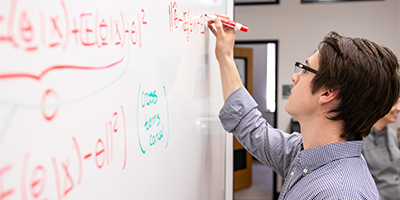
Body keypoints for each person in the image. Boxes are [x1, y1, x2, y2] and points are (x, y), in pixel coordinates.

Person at [207, 16, 400, 199]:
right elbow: (252, 128)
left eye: (305, 69)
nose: (295, 77)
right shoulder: (306, 153)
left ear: (327, 93)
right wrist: (225, 56)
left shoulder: (341, 194)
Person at [362, 100, 400, 200]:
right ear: (380, 104)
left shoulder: (392, 135)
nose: (399, 108)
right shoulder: (362, 138)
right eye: (394, 103)